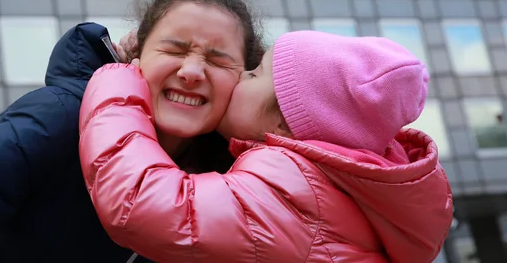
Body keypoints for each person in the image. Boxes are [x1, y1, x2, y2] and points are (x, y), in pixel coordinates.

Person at [0, 0, 264, 262]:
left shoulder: (241, 189)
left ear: (245, 80)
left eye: (217, 61)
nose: (190, 72)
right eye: (174, 50)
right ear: (136, 56)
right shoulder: (59, 119)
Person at [79, 30, 454, 263]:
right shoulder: (337, 185)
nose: (242, 74)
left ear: (285, 123)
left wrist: (118, 83)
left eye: (256, 73)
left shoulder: (290, 182)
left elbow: (143, 203)